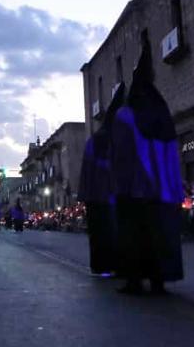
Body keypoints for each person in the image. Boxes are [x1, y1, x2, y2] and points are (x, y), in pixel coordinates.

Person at [110, 38, 185, 296]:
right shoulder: (162, 111)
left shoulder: (125, 115)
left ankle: (134, 280)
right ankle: (159, 279)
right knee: (159, 232)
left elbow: (120, 155)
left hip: (134, 188)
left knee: (134, 234)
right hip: (162, 189)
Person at [79, 83, 124, 277]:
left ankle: (102, 266)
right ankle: (108, 266)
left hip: (97, 194)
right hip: (104, 194)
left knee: (100, 232)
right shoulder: (105, 138)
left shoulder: (97, 137)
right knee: (107, 231)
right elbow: (107, 166)